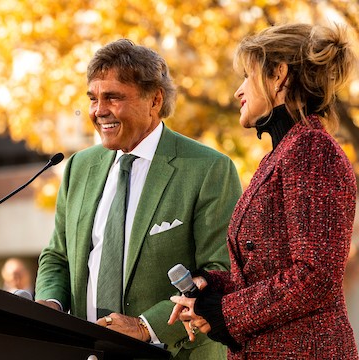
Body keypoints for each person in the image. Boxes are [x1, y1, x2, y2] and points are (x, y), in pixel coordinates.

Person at [35, 38, 243, 359]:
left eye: (113, 97)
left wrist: (145, 326)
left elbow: (220, 270)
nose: (99, 110)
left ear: (154, 100)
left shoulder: (207, 169)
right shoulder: (79, 166)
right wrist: (49, 304)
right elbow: (57, 256)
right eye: (93, 98)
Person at [168, 23, 358, 358]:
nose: (238, 91)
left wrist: (224, 312)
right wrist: (213, 287)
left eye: (247, 76)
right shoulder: (284, 152)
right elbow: (268, 270)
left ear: (279, 75)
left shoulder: (312, 150)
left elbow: (316, 276)